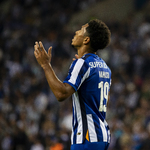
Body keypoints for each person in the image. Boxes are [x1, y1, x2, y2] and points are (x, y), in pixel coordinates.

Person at [34, 19, 111, 150]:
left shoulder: (82, 63)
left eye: (81, 30)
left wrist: (45, 65)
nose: (76, 32)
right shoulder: (104, 67)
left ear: (86, 40)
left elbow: (61, 93)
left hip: (86, 138)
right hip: (102, 135)